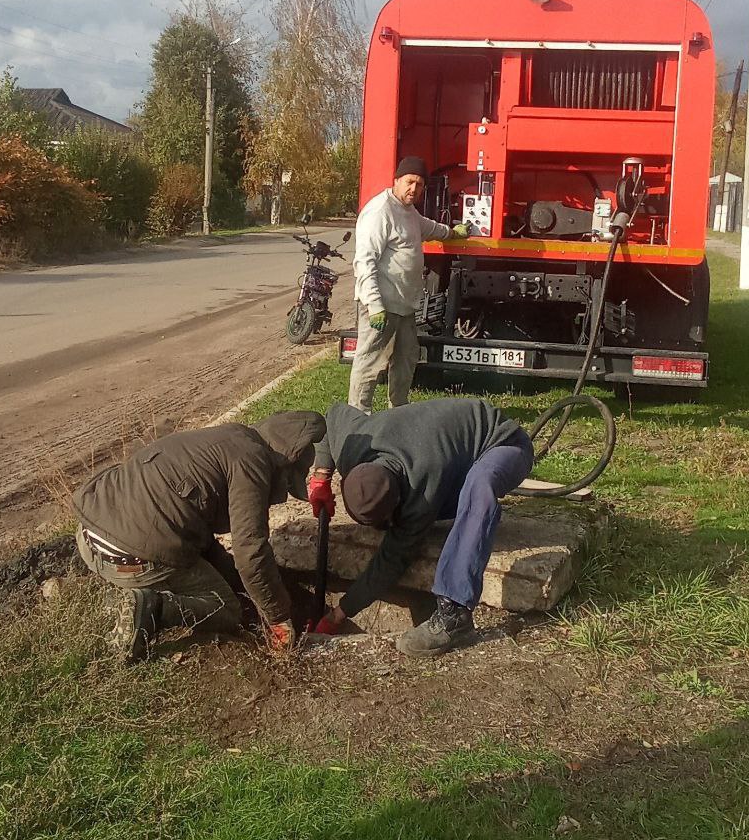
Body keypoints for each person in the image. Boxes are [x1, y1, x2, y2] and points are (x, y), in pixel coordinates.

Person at [73, 411, 325, 661]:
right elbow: (250, 551)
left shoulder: (229, 437)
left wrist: (233, 577)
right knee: (226, 608)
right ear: (284, 465)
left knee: (219, 575)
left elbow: (194, 520)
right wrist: (279, 616)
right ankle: (152, 608)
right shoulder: (253, 462)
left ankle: (122, 592)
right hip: (131, 557)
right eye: (287, 484)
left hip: (90, 536)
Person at [305, 397, 535, 657]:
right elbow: (331, 414)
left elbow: (392, 560)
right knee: (462, 489)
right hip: (450, 445)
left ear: (400, 499)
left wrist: (338, 614)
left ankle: (454, 613)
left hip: (503, 443)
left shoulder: (421, 491)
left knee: (478, 488)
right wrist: (321, 477)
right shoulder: (353, 445)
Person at [349, 155, 469, 413]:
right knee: (370, 361)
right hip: (381, 305)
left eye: (420, 184)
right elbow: (364, 261)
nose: (414, 189)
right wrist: (374, 304)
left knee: (405, 360)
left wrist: (450, 232)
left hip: (404, 306)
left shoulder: (409, 212)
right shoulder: (380, 211)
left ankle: (399, 411)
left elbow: (426, 227)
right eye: (409, 182)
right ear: (396, 181)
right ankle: (357, 417)